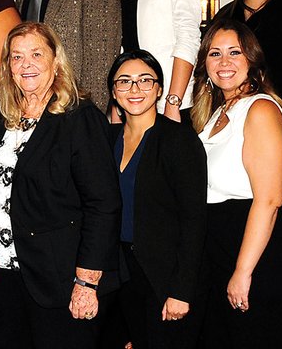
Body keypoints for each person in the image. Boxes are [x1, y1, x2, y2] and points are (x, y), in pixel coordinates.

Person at [0, 22, 120, 349]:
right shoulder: (2, 117)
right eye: (16, 57)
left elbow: (103, 205)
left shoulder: (79, 117)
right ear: (8, 67)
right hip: (5, 278)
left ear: (55, 61)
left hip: (60, 281)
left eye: (36, 54)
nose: (26, 64)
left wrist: (87, 281)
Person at [192, 21, 282, 348]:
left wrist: (243, 272)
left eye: (234, 53)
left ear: (252, 61)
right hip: (222, 247)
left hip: (260, 256)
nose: (224, 62)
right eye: (215, 53)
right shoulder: (217, 113)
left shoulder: (260, 109)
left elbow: (270, 200)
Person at [103, 50, 206, 349]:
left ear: (160, 89)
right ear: (113, 91)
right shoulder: (105, 139)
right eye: (124, 81)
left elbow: (194, 220)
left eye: (145, 80)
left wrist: (181, 290)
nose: (134, 90)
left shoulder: (179, 140)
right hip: (119, 273)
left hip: (163, 276)